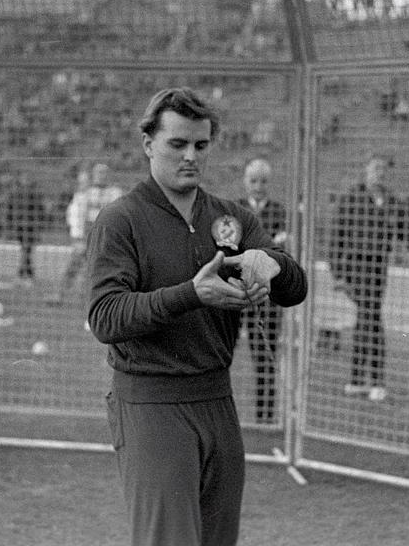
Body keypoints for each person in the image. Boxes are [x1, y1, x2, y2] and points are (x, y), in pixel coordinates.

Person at [86, 87, 307, 546]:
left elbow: (295, 288)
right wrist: (191, 294)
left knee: (217, 539)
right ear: (149, 144)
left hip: (217, 399)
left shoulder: (232, 218)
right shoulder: (121, 219)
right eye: (178, 143)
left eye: (201, 145)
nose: (191, 156)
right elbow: (105, 316)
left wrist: (273, 265)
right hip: (151, 402)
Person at [328, 152, 409, 402]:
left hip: (378, 267)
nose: (379, 173)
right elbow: (337, 238)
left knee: (367, 318)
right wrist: (338, 274)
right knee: (370, 317)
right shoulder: (352, 198)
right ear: (366, 171)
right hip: (356, 266)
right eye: (375, 169)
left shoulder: (393, 202)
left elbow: (407, 234)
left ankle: (359, 379)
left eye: (383, 169)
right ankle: (375, 380)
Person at [237, 158, 288, 423]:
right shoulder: (235, 210)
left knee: (265, 357)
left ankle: (265, 418)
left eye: (263, 181)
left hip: (267, 297)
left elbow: (280, 252)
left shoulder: (279, 212)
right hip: (236, 293)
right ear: (245, 182)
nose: (258, 186)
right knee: (221, 354)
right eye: (253, 180)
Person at [50, 163, 123, 304]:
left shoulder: (116, 193)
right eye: (98, 173)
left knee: (106, 269)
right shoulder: (84, 193)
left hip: (107, 236)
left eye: (104, 172)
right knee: (74, 264)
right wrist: (78, 237)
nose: (101, 176)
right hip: (86, 235)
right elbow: (76, 216)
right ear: (93, 175)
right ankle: (59, 295)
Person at [6, 171, 46, 286]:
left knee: (26, 250)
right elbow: (10, 211)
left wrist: (39, 227)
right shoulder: (16, 194)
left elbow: (40, 211)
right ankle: (27, 275)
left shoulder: (33, 194)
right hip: (21, 227)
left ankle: (24, 275)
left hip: (29, 227)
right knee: (26, 250)